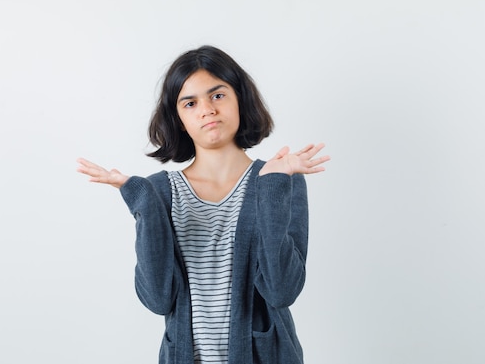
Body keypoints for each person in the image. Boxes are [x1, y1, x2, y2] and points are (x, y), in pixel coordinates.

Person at [76, 45, 330, 364]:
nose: (207, 109)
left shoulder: (282, 180)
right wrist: (142, 199)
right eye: (190, 103)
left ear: (240, 99)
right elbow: (157, 299)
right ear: (179, 119)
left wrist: (272, 185)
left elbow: (281, 291)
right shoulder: (160, 192)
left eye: (218, 95)